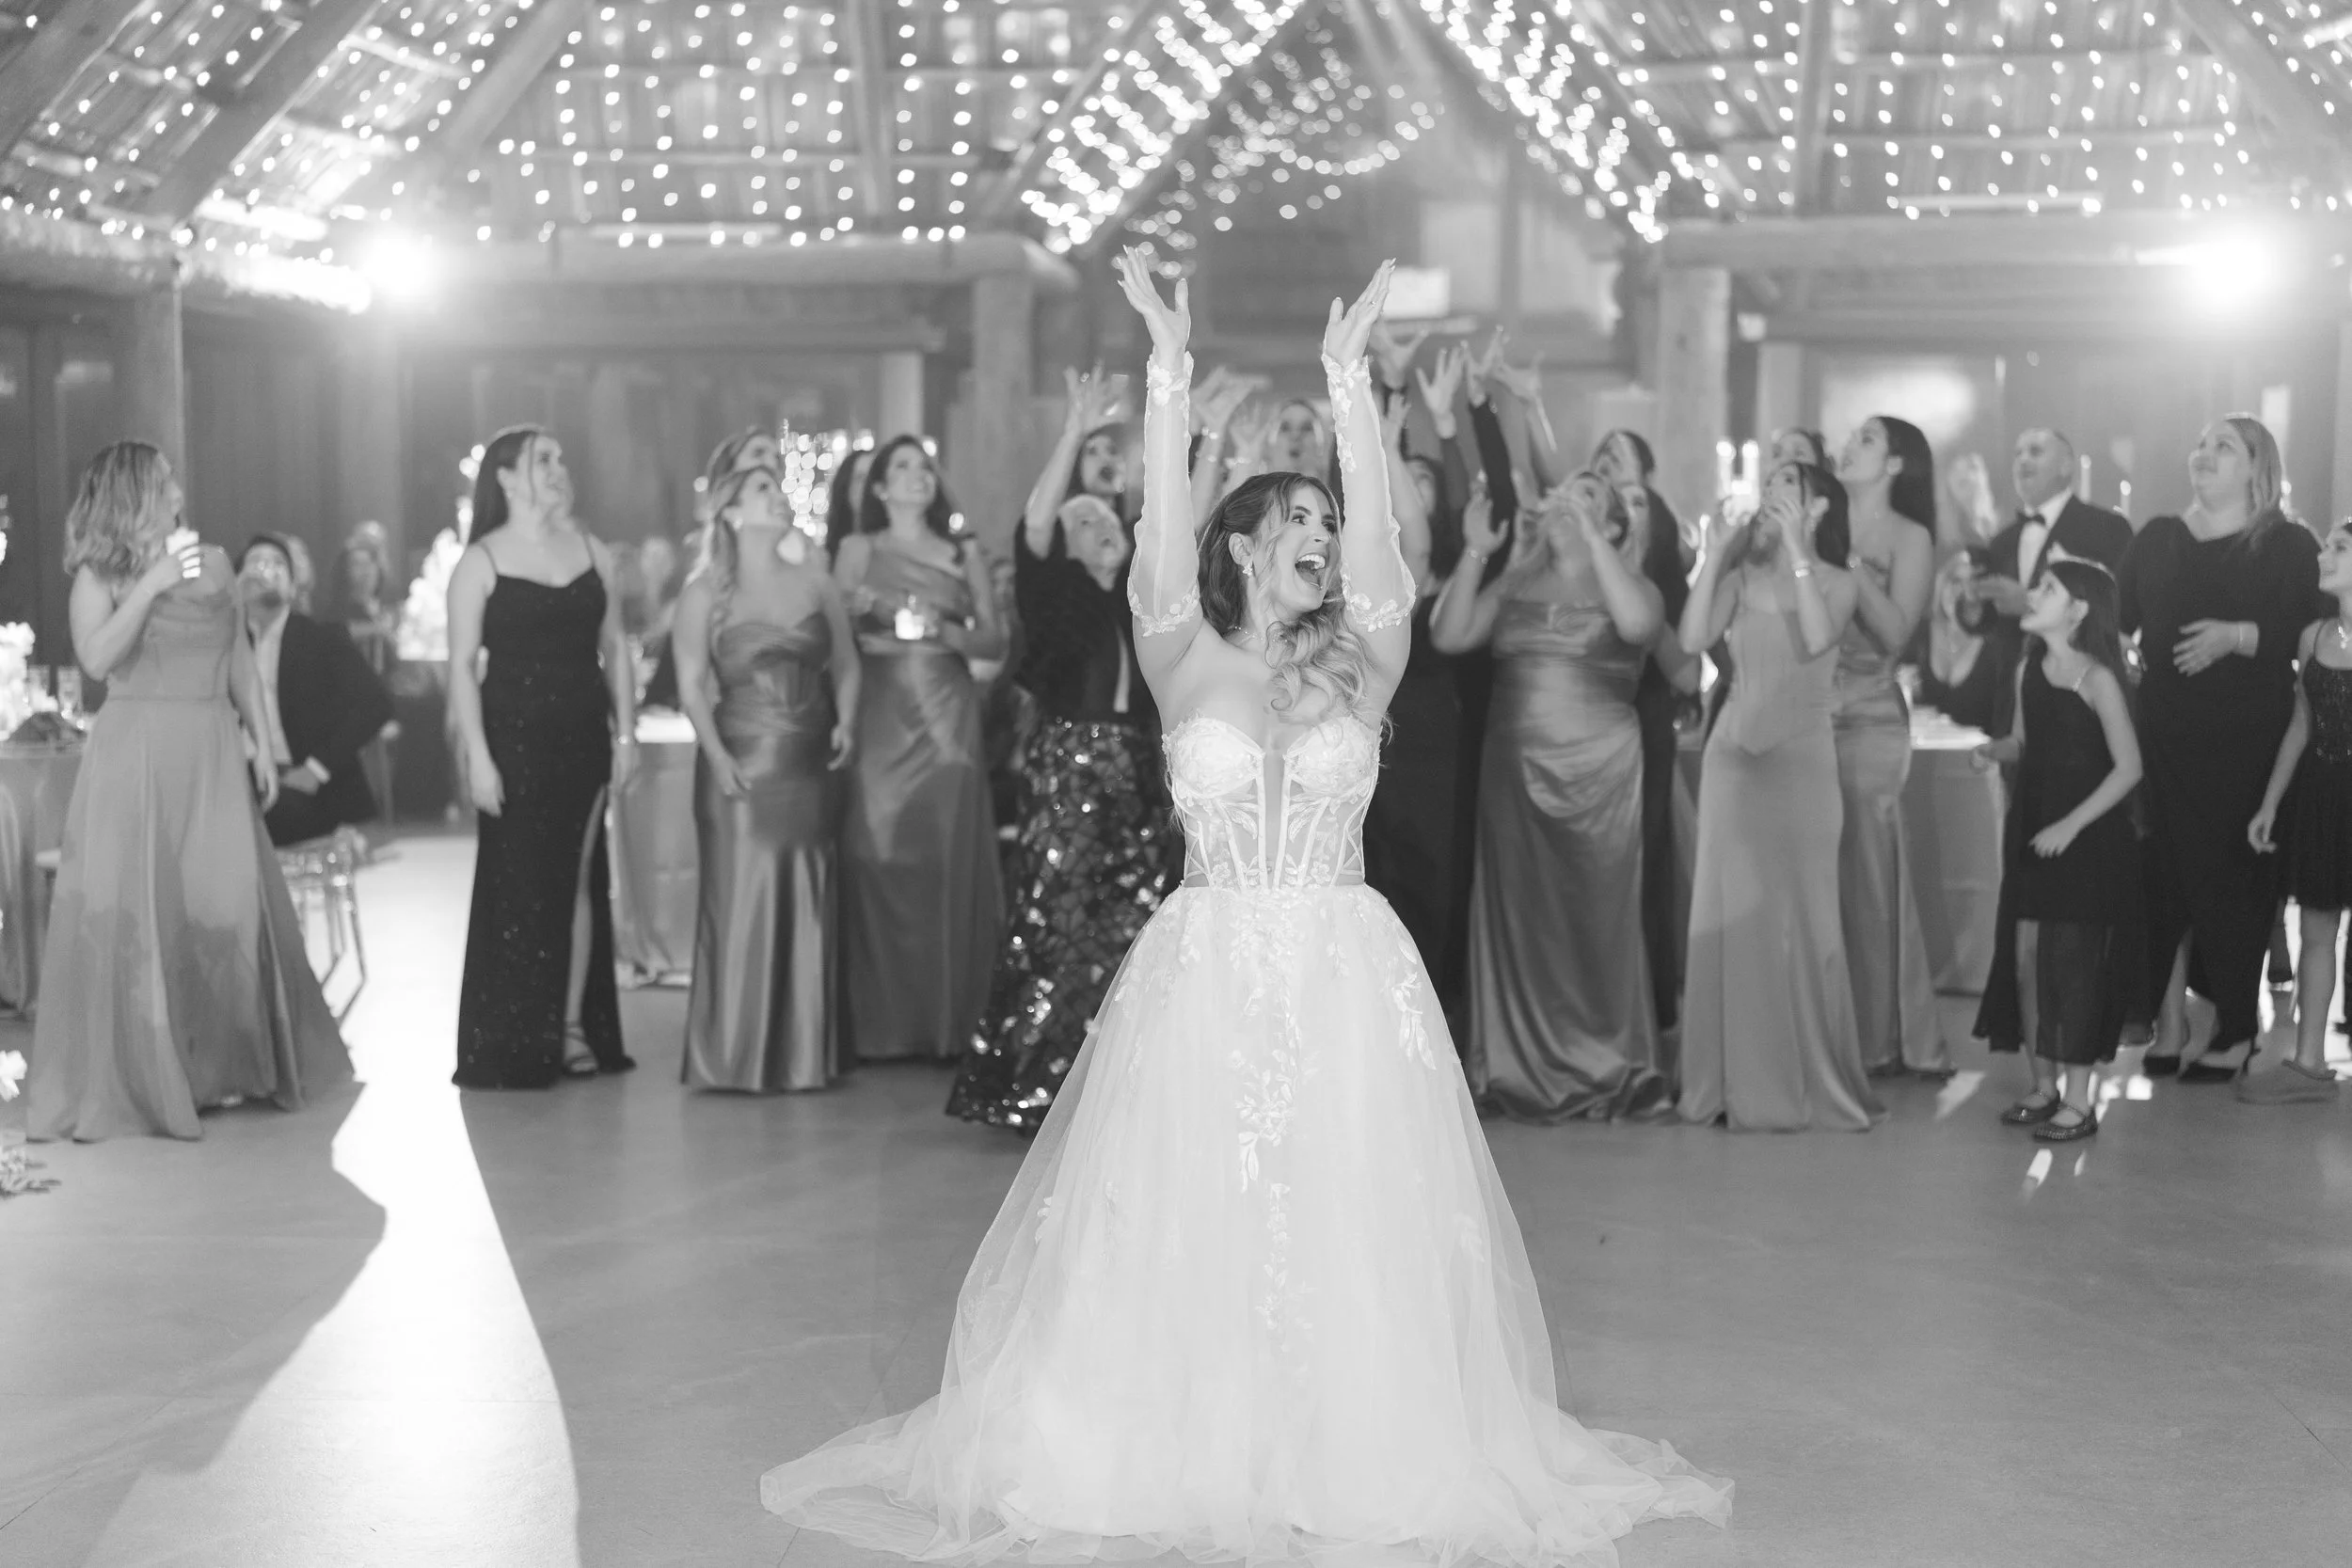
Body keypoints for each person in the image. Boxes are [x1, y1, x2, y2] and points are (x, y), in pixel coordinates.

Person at [760, 254, 1731, 1560]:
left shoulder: (1369, 655)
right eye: (1297, 521)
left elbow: (1384, 542)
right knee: (1189, 1213)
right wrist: (1165, 369)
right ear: (1240, 548)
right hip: (1206, 968)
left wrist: (1349, 382)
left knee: (1348, 1214)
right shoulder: (1179, 650)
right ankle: (1177, 1437)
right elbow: (1160, 534)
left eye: (1328, 521)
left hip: (1343, 970)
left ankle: (1353, 1443)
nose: (1323, 534)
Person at [24, 442, 348, 1141]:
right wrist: (150, 585)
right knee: (149, 913)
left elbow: (238, 658)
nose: (179, 491)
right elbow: (97, 658)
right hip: (137, 756)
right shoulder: (99, 574)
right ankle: (152, 1075)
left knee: (222, 906)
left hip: (211, 749)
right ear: (136, 494)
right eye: (166, 482)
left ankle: (217, 1066)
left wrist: (260, 737)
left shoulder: (217, 562)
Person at [1434, 470, 1672, 1120]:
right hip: (1512, 772)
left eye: (1590, 494)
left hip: (1600, 773)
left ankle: (1608, 1062)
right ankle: (1513, 1063)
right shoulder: (1517, 580)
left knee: (1596, 914)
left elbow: (1638, 625)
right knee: (1521, 914)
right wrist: (1477, 550)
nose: (1569, 497)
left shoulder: (1633, 584)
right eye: (1567, 490)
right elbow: (1450, 635)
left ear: (1615, 524)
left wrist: (1593, 539)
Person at [948, 478, 1178, 1131]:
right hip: (1069, 771)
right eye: (1086, 523)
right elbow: (1034, 528)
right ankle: (1036, 1082)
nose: (1104, 528)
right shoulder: (1051, 596)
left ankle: (1118, 1081)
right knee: (1059, 916)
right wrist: (1073, 434)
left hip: (1137, 769)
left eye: (1109, 521)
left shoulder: (1142, 605)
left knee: (1134, 919)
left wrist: (1210, 446)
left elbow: (1175, 530)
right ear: (1062, 546)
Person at [2120, 417, 2325, 1083]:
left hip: (2246, 741)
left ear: (2256, 468)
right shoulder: (2158, 538)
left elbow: (2316, 630)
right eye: (2201, 444)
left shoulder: (2287, 543)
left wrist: (2239, 635)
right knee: (2164, 875)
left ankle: (2235, 1028)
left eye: (2224, 447)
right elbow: (2116, 616)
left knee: (2232, 881)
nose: (2204, 454)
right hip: (2164, 734)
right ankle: (2170, 1022)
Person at [1679, 460, 1883, 1132]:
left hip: (1802, 763)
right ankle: (1723, 1083)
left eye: (1786, 485)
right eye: (1768, 485)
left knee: (1805, 916)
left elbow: (1819, 637)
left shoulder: (1841, 582)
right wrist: (1715, 554)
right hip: (1733, 760)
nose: (1770, 494)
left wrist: (1797, 549)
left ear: (1818, 507)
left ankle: (1808, 1078)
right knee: (1728, 916)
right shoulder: (1741, 576)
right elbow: (1691, 639)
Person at [446, 425, 638, 1088]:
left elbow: (616, 647)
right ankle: (517, 1030)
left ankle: (573, 1026)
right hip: (513, 738)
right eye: (542, 459)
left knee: (579, 876)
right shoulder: (480, 561)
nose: (558, 468)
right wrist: (477, 756)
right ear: (505, 476)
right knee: (520, 881)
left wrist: (627, 734)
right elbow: (461, 666)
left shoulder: (591, 550)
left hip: (582, 733)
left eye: (560, 457)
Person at [674, 463, 859, 1094]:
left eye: (780, 490)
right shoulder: (705, 591)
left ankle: (805, 1054)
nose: (779, 498)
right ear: (730, 512)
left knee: (810, 891)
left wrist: (847, 721)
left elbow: (847, 662)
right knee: (742, 899)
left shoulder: (815, 580)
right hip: (741, 765)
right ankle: (733, 1053)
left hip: (810, 760)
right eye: (763, 491)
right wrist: (716, 754)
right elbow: (691, 683)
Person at [834, 434, 1006, 1061]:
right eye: (902, 467)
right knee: (874, 853)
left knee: (945, 856)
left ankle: (947, 1025)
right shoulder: (857, 550)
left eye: (925, 467)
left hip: (944, 709)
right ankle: (878, 1026)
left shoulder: (962, 553)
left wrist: (945, 630)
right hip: (879, 708)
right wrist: (854, 609)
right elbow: (833, 638)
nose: (918, 475)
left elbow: (993, 641)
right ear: (879, 487)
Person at [1976, 560, 2144, 1141]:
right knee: (2028, 961)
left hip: (2087, 837)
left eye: (2048, 588)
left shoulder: (2097, 679)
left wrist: (2071, 826)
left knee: (2074, 966)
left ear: (2078, 610)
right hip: (2035, 829)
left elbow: (2128, 768)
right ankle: (2043, 1085)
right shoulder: (2030, 668)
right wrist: (1993, 750)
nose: (2033, 594)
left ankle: (2079, 1097)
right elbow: (2025, 742)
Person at [1833, 416, 1949, 1078]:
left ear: (1897, 463)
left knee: (1867, 876)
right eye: (1852, 436)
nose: (1850, 445)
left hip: (1869, 715)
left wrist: (1844, 564)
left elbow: (1897, 632)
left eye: (1868, 439)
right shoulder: (1816, 522)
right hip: (1805, 713)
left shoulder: (1910, 537)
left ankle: (1875, 1036)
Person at [1594, 428, 1701, 1033]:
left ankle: (1649, 1002)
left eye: (1637, 498)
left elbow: (1688, 672)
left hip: (1643, 724)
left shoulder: (1662, 580)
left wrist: (1647, 611)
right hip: (1580, 734)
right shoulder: (1580, 566)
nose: (1624, 507)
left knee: (1644, 862)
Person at [2244, 520, 2352, 1105]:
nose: (2323, 554)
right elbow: (2301, 724)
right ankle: (2309, 1062)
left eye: (2339, 547)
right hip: (2322, 795)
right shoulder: (2313, 636)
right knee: (2315, 928)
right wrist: (2270, 801)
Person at [236, 534, 396, 847]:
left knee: (269, 814)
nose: (266, 571)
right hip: (242, 776)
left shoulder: (320, 637)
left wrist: (315, 769)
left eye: (278, 564)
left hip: (303, 781)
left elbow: (376, 704)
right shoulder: (227, 645)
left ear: (293, 585)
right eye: (256, 563)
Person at [1972, 428, 2134, 736]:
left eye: (2035, 451)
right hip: (2013, 703)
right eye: (2018, 454)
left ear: (2066, 466)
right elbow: (1994, 631)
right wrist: (1972, 608)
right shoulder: (2002, 542)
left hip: (2079, 700)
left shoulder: (2106, 528)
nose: (2023, 460)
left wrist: (2029, 601)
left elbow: (2118, 613)